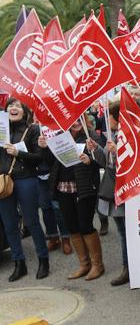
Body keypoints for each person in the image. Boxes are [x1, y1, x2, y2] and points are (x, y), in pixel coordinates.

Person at [38, 115, 104, 281]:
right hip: (63, 187)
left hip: (84, 188)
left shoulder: (91, 136)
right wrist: (45, 148)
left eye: (78, 119)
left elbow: (104, 161)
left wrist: (90, 159)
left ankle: (98, 265)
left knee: (85, 225)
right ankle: (84, 264)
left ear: (83, 120)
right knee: (72, 227)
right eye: (71, 120)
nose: (74, 123)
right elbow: (51, 162)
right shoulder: (59, 136)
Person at [0, 98, 49, 281]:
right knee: (10, 225)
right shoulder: (1, 129)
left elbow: (38, 158)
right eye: (10, 106)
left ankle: (43, 260)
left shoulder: (32, 129)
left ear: (24, 111)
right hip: (3, 182)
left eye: (17, 106)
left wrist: (18, 153)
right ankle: (19, 263)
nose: (13, 108)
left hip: (26, 180)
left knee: (32, 221)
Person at [90, 99, 128, 286]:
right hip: (114, 191)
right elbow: (106, 162)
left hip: (127, 191)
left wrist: (119, 152)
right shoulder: (114, 135)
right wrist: (95, 149)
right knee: (122, 231)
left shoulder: (130, 135)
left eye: (110, 116)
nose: (108, 120)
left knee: (128, 232)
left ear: (116, 117)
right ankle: (127, 268)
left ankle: (131, 268)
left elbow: (135, 163)